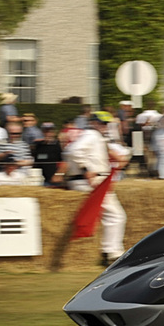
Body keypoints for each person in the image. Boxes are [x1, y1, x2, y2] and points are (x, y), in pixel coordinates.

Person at [67, 111, 128, 266]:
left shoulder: (92, 136)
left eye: (106, 124)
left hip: (88, 179)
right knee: (117, 215)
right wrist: (86, 168)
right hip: (92, 181)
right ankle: (113, 253)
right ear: (93, 123)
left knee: (112, 215)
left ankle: (109, 251)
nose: (104, 126)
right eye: (101, 123)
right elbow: (73, 151)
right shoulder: (92, 135)